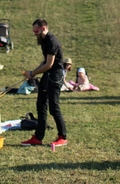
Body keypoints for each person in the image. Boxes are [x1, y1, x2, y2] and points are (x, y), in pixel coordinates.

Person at [21, 19, 68, 148]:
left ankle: (62, 137)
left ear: (43, 28)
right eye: (33, 32)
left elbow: (49, 64)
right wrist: (32, 72)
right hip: (48, 75)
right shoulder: (44, 41)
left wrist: (34, 73)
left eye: (36, 31)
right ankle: (38, 137)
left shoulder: (52, 41)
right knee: (41, 105)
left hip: (55, 75)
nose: (35, 34)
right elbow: (44, 62)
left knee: (54, 107)